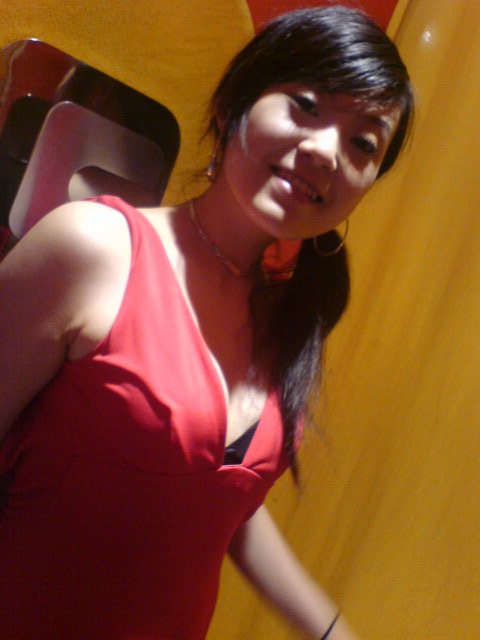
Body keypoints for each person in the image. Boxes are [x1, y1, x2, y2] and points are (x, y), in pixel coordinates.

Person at [0, 6, 414, 639]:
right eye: (305, 105)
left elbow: (220, 501)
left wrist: (331, 630)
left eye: (364, 143)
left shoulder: (285, 319)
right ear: (231, 108)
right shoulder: (94, 248)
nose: (327, 151)